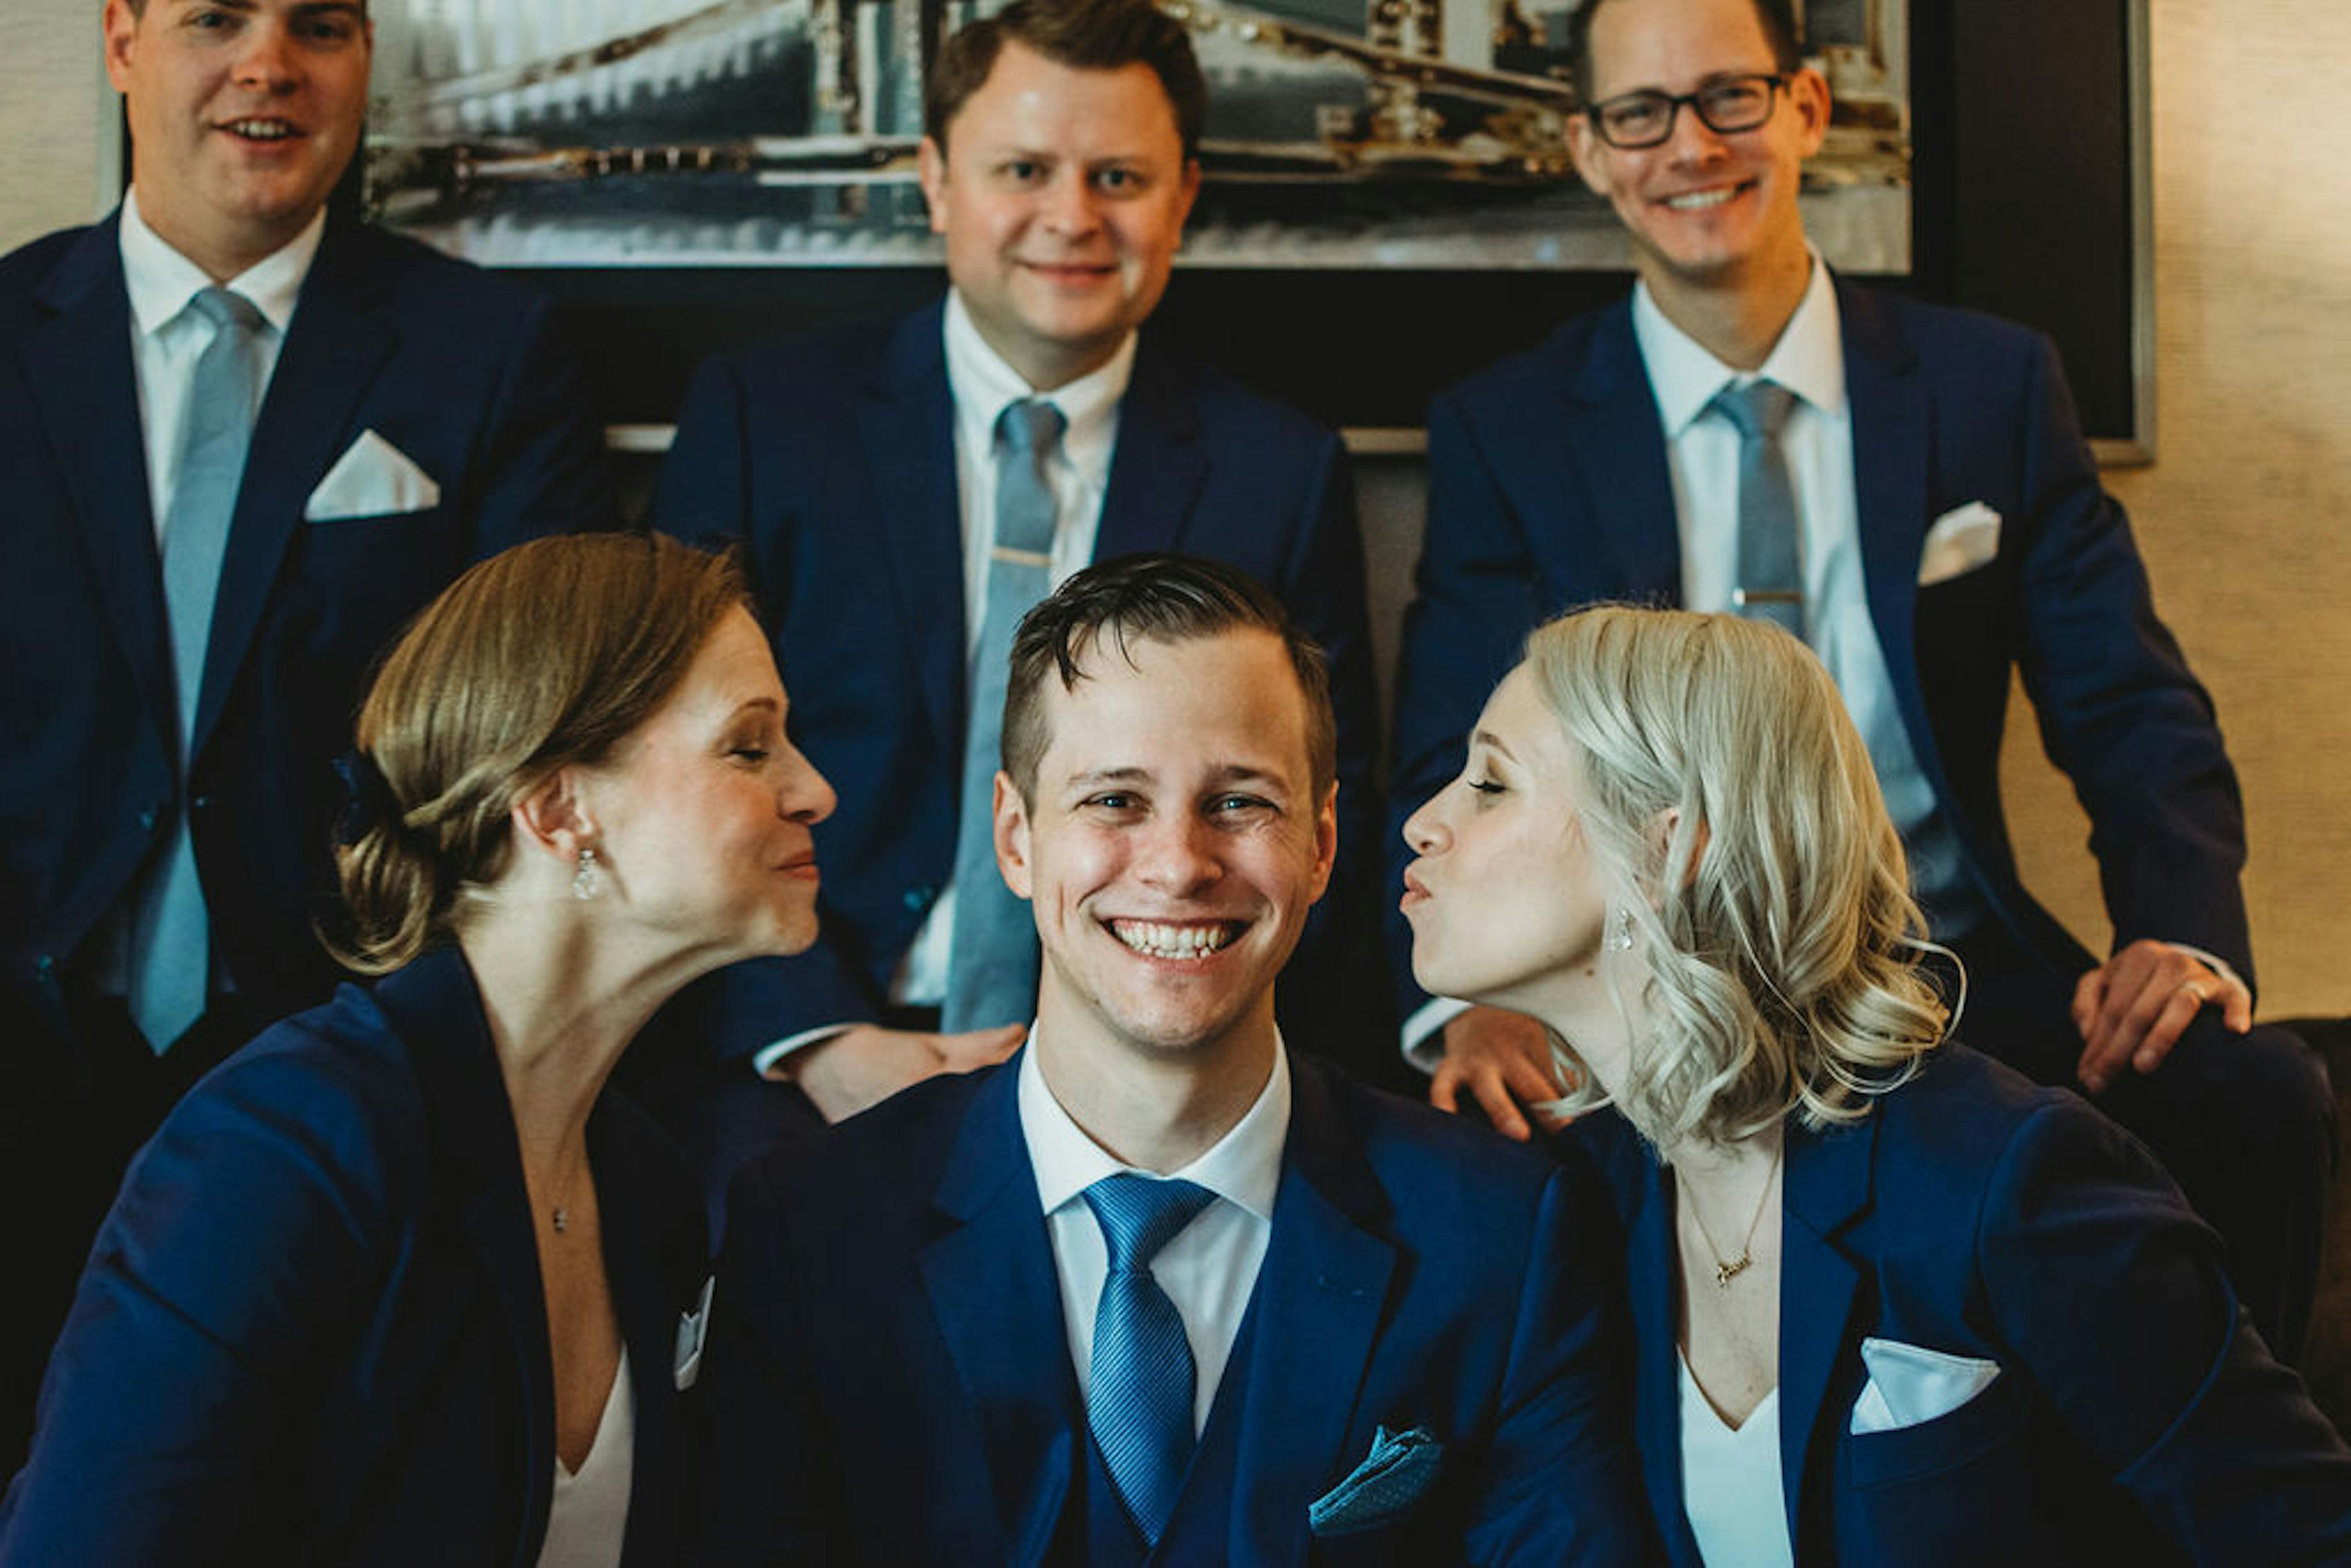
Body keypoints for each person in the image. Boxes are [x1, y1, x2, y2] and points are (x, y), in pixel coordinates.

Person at [1388, 0, 2330, 1359]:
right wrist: (1467, 1003)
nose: (1687, 146)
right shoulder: (1511, 426)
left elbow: (2126, 707)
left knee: (2255, 1095)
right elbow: (1443, 750)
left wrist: (2173, 938)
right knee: (1488, 1172)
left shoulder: (1987, 386)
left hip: (1949, 965)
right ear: (1591, 151)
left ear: (1806, 108)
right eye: (1638, 114)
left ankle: (2234, 1495)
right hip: (1649, 987)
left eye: (1727, 96)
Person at [691, 554, 1648, 1565]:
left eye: (1240, 803)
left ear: (1323, 843)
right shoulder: (808, 1231)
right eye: (1114, 801)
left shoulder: (1502, 1233)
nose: (1181, 865)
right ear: (1017, 838)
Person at [1401, 605, 2351, 1563]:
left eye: (1490, 783)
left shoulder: (2007, 1183)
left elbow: (2304, 1536)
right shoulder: (1588, 1203)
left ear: (1666, 852)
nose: (1422, 823)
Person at [0, 0, 615, 1462]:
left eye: (321, 25)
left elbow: (542, 731)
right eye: (218, 17)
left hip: (345, 1072)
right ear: (122, 40)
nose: (269, 61)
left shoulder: (490, 356)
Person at [649, 0, 1381, 1202]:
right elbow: (671, 772)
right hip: (801, 1050)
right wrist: (822, 1042)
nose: (1072, 217)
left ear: (1184, 193)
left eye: (1120, 176)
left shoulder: (1276, 470)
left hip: (1154, 1049)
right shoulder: (765, 424)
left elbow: (1308, 815)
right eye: (1024, 170)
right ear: (937, 181)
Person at [0, 534, 835, 1566]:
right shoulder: (278, 1154)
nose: (813, 791)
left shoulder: (650, 1194)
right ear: (559, 806)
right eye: (749, 746)